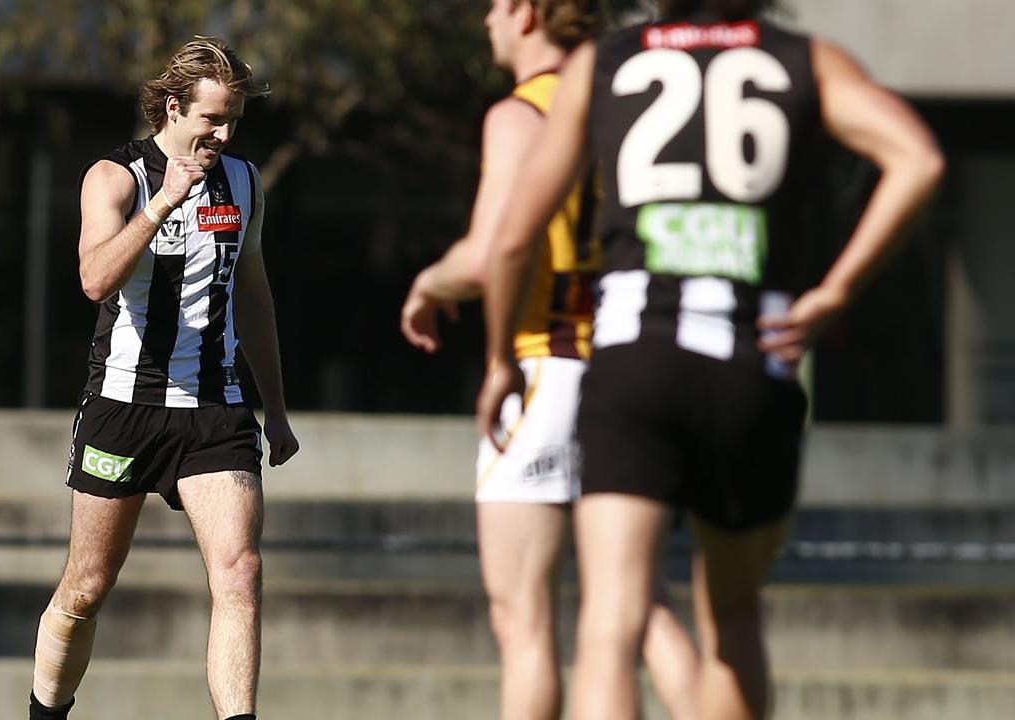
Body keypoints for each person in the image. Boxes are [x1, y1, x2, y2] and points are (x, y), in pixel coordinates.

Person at [477, 0, 944, 718]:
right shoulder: (804, 58)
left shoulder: (605, 63)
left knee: (610, 624)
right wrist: (837, 289)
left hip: (632, 359)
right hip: (749, 361)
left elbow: (512, 238)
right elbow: (919, 158)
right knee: (732, 616)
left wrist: (502, 356)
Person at [402, 2, 698, 718]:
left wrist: (427, 284)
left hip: (549, 364)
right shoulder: (628, 105)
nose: (486, 22)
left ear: (529, 12)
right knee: (643, 606)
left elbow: (490, 252)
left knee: (525, 621)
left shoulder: (523, 113)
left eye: (496, 6)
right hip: (634, 367)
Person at [28, 37, 299, 720]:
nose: (225, 133)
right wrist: (162, 206)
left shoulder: (242, 181)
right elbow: (94, 278)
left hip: (217, 408)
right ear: (172, 107)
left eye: (233, 118)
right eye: (212, 119)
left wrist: (277, 409)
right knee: (87, 587)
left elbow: (255, 293)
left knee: (241, 572)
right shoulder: (115, 177)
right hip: (124, 405)